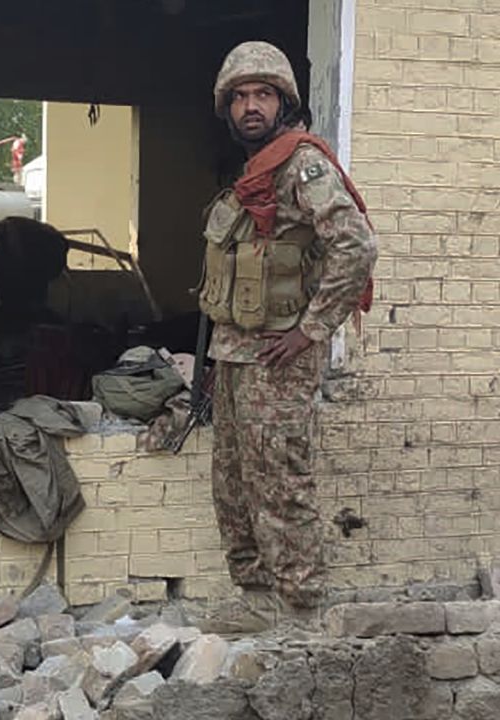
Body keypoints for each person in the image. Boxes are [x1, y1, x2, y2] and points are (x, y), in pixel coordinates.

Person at [197, 41, 377, 615]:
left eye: (264, 95)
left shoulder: (302, 164)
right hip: (234, 355)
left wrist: (312, 329)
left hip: (278, 360)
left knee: (280, 484)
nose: (252, 106)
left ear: (283, 102)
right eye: (241, 96)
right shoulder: (252, 173)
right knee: (232, 484)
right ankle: (255, 600)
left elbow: (355, 247)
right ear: (227, 108)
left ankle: (301, 610)